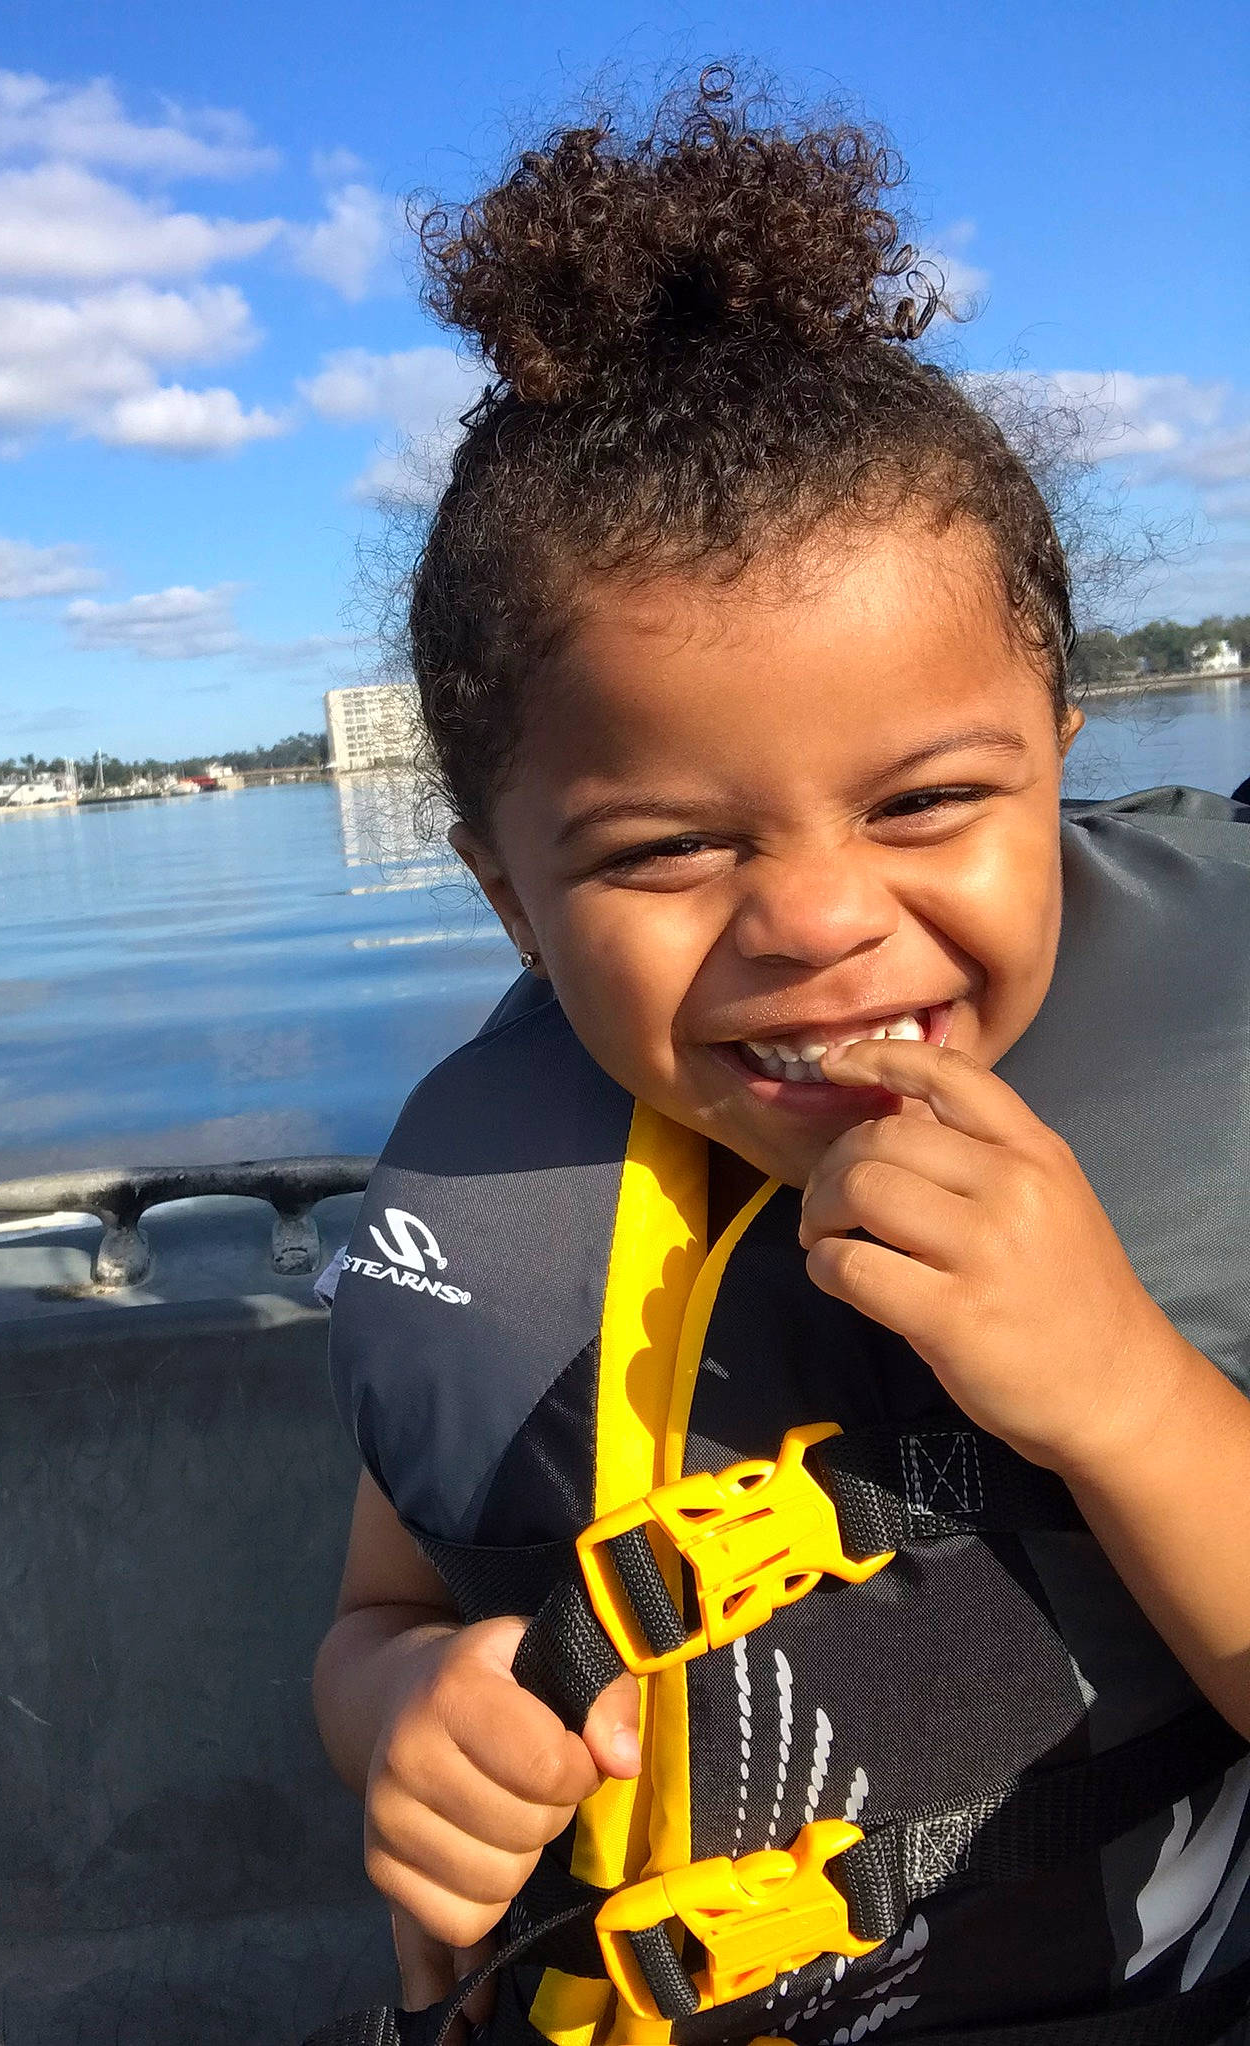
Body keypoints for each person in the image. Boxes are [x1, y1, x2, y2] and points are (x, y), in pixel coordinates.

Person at [311, 70, 1250, 2046]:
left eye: (924, 804)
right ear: (505, 892)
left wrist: (1131, 1395)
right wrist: (404, 1719)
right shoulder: (489, 1216)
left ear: (1056, 769)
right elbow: (379, 1610)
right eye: (665, 849)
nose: (820, 919)